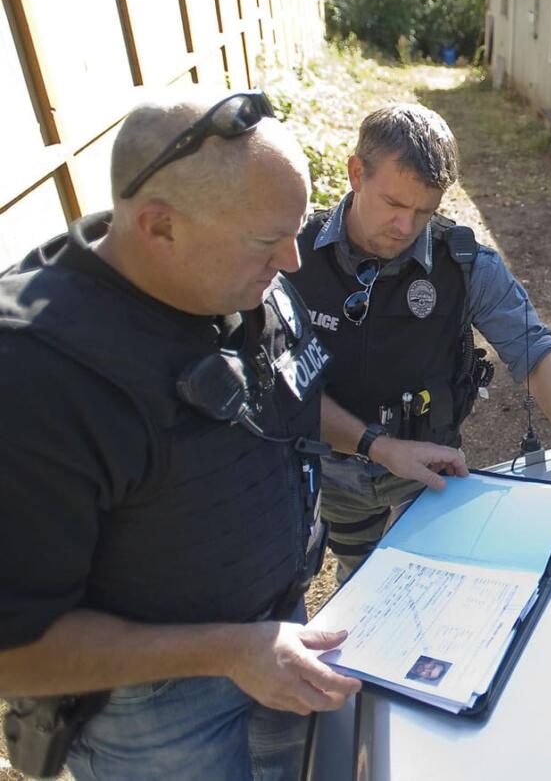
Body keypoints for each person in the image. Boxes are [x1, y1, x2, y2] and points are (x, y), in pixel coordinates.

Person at [0, 91, 377, 781]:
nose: (293, 262)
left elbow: (281, 402)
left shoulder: (243, 280)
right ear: (159, 227)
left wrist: (378, 445)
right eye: (270, 240)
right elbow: (13, 649)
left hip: (278, 635)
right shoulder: (35, 377)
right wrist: (229, 651)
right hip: (152, 711)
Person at [287, 103, 551, 579]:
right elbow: (283, 385)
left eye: (424, 211)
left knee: (427, 579)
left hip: (428, 471)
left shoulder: (466, 265)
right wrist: (376, 445)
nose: (406, 228)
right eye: (393, 204)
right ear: (355, 172)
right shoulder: (290, 256)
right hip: (331, 473)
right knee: (358, 577)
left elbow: (534, 354)